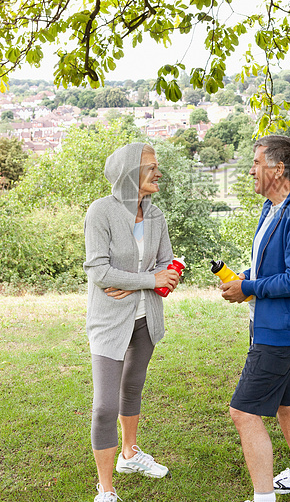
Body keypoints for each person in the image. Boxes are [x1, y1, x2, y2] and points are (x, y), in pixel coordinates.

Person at [220, 135, 290, 502]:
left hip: (282, 327)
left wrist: (251, 286)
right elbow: (275, 264)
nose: (251, 169)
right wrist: (246, 280)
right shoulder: (272, 207)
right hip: (272, 321)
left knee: (243, 412)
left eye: (256, 162)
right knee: (286, 401)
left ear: (279, 168)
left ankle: (263, 497)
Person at [84, 142, 180, 502]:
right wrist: (147, 280)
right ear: (128, 172)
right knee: (105, 405)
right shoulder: (101, 212)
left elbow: (167, 264)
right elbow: (98, 270)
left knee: (132, 389)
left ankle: (129, 454)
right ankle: (105, 490)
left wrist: (151, 278)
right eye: (151, 167)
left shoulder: (156, 216)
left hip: (146, 318)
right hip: (109, 322)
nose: (158, 172)